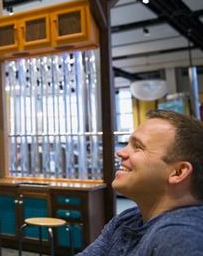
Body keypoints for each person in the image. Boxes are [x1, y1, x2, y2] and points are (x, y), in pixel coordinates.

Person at [77, 109, 203, 255]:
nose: (120, 152)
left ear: (178, 172)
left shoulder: (180, 236)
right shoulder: (129, 219)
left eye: (138, 147)